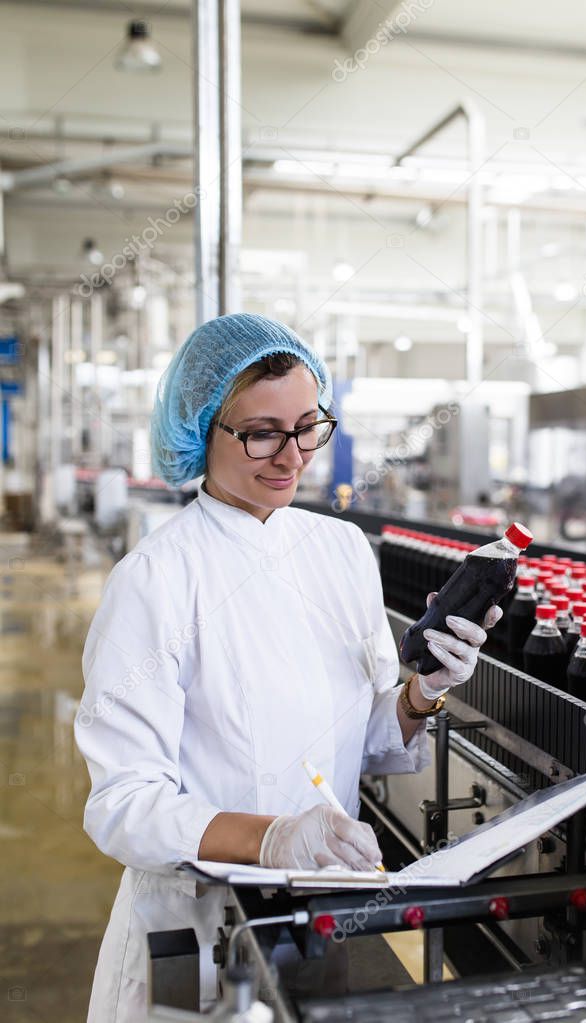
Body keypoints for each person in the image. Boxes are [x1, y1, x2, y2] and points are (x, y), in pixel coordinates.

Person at [75, 313, 500, 1022]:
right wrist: (269, 837)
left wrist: (420, 694)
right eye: (262, 432)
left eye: (308, 425)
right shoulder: (155, 579)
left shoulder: (340, 552)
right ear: (202, 429)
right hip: (195, 937)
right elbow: (121, 805)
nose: (292, 456)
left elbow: (359, 737)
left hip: (318, 920)